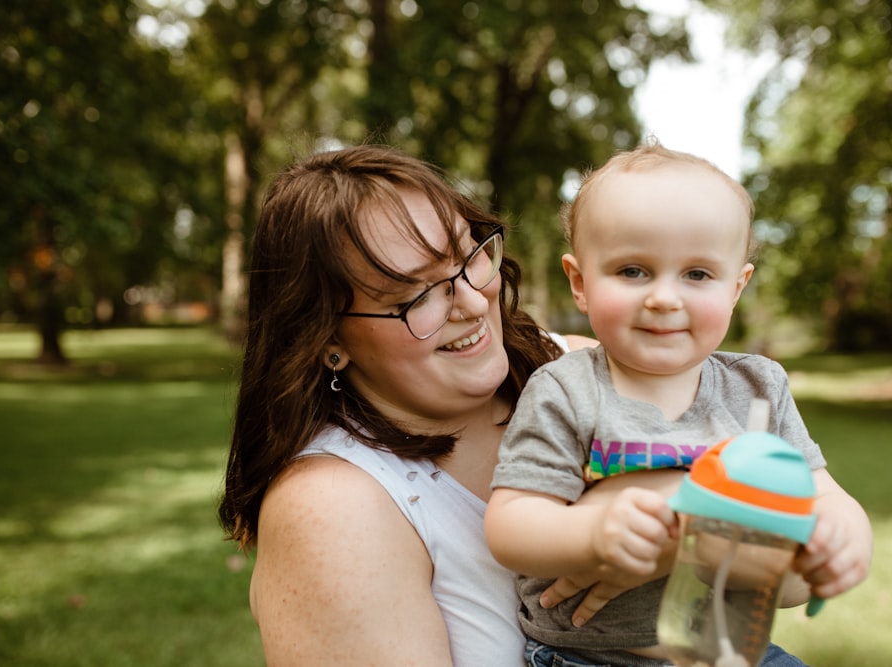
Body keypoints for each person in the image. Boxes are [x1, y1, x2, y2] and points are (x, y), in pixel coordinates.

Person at [484, 142, 873, 667]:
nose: (665, 297)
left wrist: (843, 539)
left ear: (736, 288)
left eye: (697, 275)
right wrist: (592, 533)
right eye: (633, 271)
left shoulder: (758, 387)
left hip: (735, 648)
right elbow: (511, 525)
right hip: (595, 658)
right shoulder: (567, 389)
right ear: (580, 282)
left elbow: (823, 496)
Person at [217, 144, 607, 666]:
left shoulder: (575, 368)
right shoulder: (331, 510)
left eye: (468, 257)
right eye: (413, 296)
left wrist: (668, 528)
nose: (471, 303)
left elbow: (747, 486)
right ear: (328, 339)